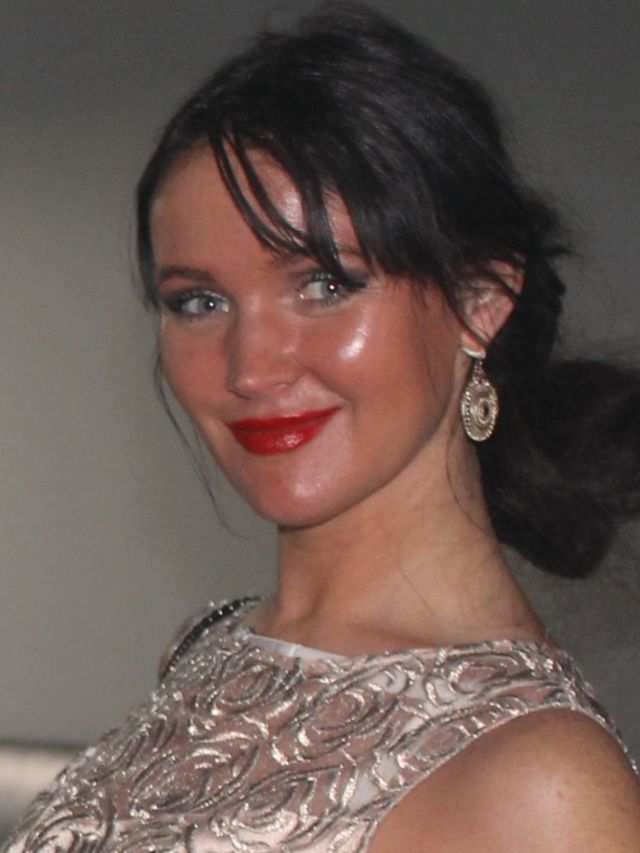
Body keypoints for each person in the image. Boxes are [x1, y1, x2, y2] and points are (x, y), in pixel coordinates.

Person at [6, 2, 640, 851]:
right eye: (199, 302)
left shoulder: (540, 784)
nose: (251, 366)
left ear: (480, 300)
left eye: (325, 284)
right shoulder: (210, 648)